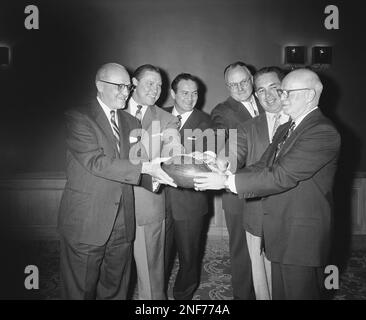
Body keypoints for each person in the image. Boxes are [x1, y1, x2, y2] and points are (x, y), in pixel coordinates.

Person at [194, 68, 341, 300]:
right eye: (264, 90)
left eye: (284, 91)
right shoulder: (289, 128)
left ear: (310, 95)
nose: (279, 97)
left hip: (300, 235)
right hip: (279, 229)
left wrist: (225, 181)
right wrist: (218, 166)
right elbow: (261, 165)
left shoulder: (321, 131)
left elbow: (280, 176)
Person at [58, 63, 175, 300]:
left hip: (123, 222)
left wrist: (162, 175)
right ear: (99, 85)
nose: (126, 92)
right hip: (87, 222)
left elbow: (135, 167)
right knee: (80, 291)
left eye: (127, 87)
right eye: (119, 86)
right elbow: (96, 162)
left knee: (116, 290)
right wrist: (145, 167)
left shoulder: (130, 123)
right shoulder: (78, 117)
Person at [223, 67, 289, 299]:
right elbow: (231, 155)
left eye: (274, 87)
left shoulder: (304, 122)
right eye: (261, 90)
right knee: (261, 284)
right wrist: (217, 163)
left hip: (294, 217)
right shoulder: (247, 127)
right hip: (257, 214)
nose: (268, 95)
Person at [126, 64, 184, 300]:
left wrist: (188, 159)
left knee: (151, 273)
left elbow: (174, 151)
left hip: (147, 204)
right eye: (150, 83)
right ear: (134, 82)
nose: (156, 89)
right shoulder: (113, 110)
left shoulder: (167, 119)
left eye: (160, 85)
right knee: (110, 274)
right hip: (108, 203)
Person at [210, 61, 263, 299]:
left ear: (252, 79)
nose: (240, 87)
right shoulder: (223, 111)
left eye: (243, 81)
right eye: (233, 84)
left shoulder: (267, 101)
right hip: (239, 191)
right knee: (242, 252)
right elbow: (222, 142)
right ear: (226, 86)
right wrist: (223, 158)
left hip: (271, 188)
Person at [164, 73, 214, 299]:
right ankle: (156, 294)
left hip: (190, 202)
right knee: (159, 255)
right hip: (158, 201)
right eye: (185, 92)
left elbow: (208, 163)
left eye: (195, 93)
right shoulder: (157, 115)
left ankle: (183, 296)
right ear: (173, 93)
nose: (191, 97)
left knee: (189, 255)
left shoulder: (207, 122)